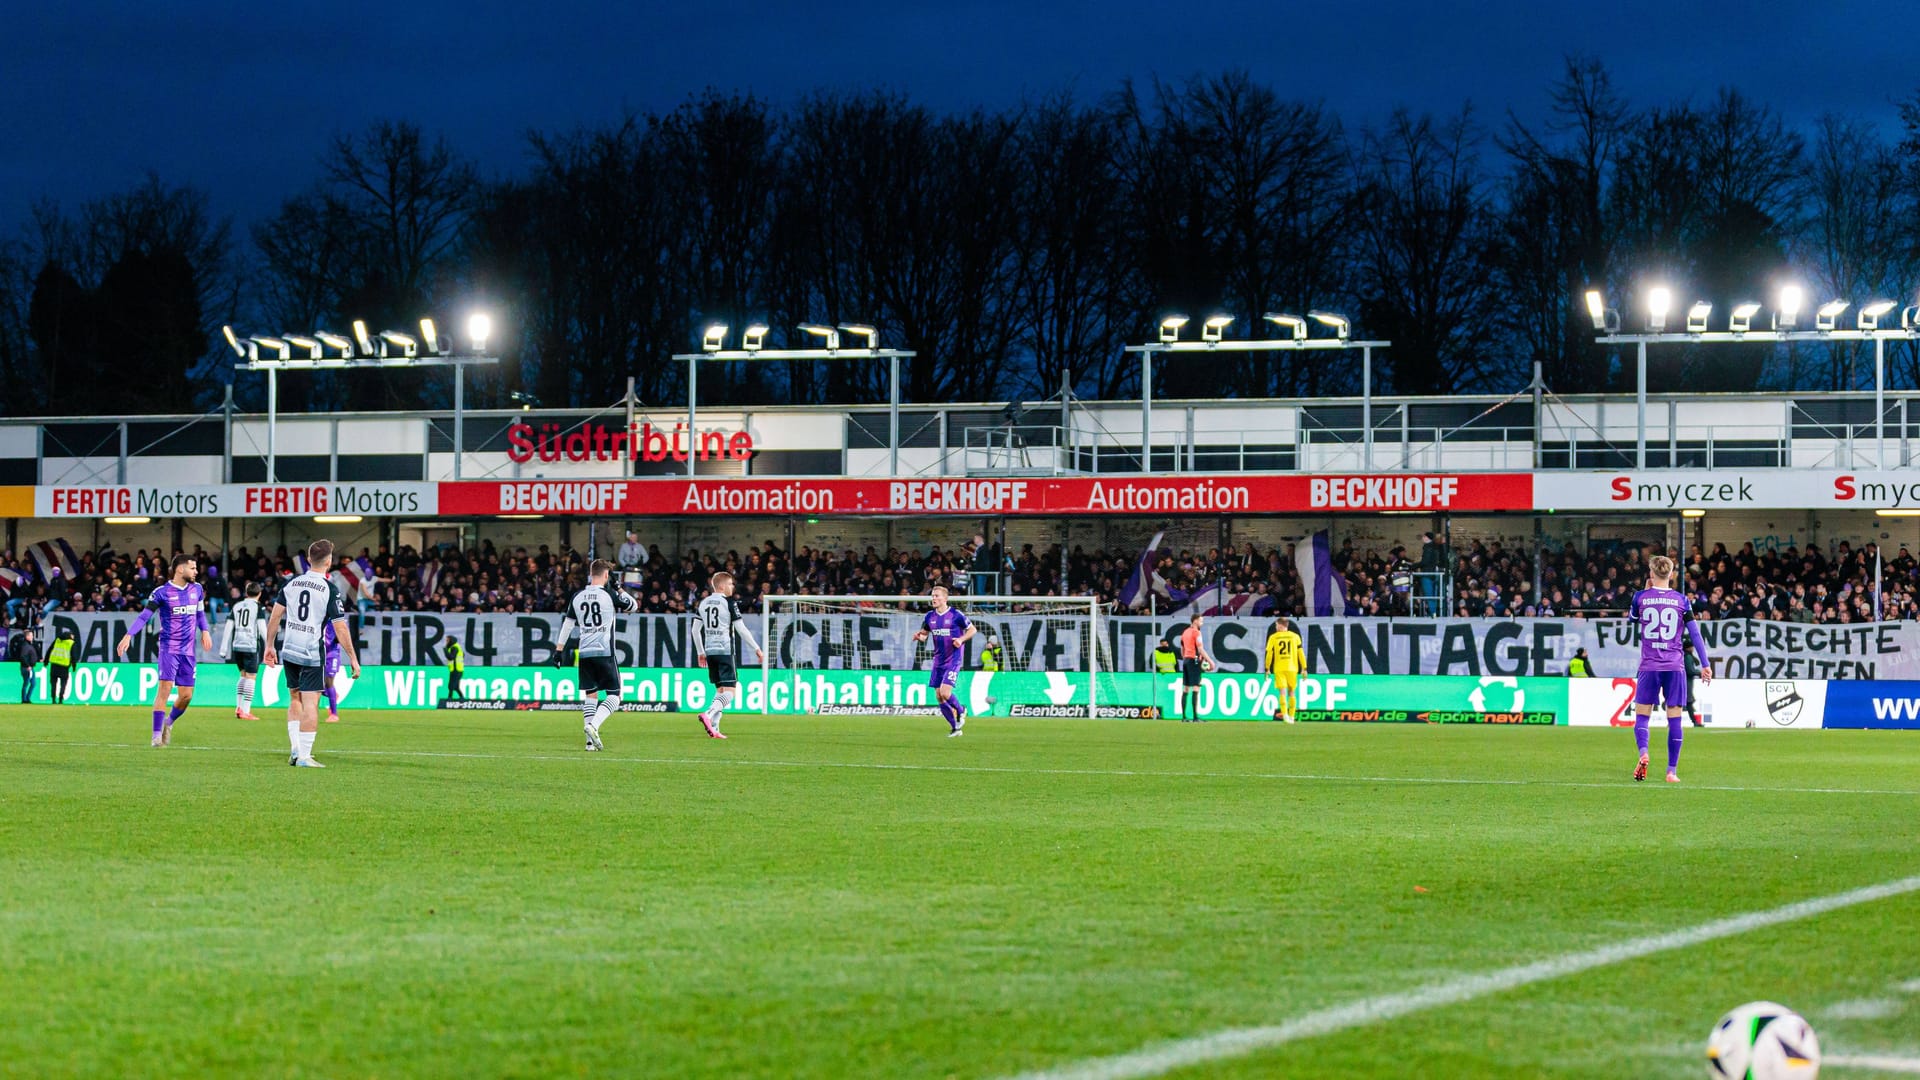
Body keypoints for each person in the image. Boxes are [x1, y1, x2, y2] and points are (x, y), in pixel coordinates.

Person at [262, 539, 361, 768]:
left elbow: (275, 616)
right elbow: (340, 627)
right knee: (311, 702)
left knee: (294, 697)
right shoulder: (329, 589)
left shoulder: (291, 583)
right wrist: (353, 659)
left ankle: (295, 749)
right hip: (311, 651)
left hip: (289, 649)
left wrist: (269, 646)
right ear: (328, 562)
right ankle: (305, 756)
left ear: (308, 560)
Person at [1630, 554, 1711, 783]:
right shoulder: (1681, 600)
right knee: (1674, 718)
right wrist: (1705, 664)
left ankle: (1644, 752)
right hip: (1674, 666)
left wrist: (1646, 591)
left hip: (1649, 666)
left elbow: (1632, 619)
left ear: (1651, 574)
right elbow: (1694, 633)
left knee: (1642, 717)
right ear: (1672, 575)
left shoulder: (1640, 598)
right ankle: (1671, 771)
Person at [116, 554, 211, 747]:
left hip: (189, 651)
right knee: (165, 690)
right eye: (192, 568)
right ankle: (156, 736)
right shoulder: (162, 592)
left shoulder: (197, 590)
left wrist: (206, 631)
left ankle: (169, 723)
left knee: (186, 696)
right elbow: (144, 617)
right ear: (180, 569)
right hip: (169, 648)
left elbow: (200, 614)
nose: (196, 571)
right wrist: (129, 635)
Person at [556, 558, 639, 750]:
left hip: (584, 652)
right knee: (615, 696)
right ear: (606, 575)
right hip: (604, 651)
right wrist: (619, 588)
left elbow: (568, 624)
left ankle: (589, 743)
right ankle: (593, 726)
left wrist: (558, 650)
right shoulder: (610, 595)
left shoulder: (577, 596)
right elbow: (633, 606)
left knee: (591, 694)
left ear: (590, 574)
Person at [691, 571, 763, 739]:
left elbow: (695, 630)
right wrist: (757, 648)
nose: (733, 587)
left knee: (721, 690)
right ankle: (708, 714)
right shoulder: (729, 603)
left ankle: (714, 728)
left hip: (709, 652)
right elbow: (741, 629)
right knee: (731, 691)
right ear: (722, 586)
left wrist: (700, 652)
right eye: (730, 584)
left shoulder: (703, 603)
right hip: (724, 650)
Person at [912, 584, 975, 736]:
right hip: (938, 660)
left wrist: (961, 639)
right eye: (932, 596)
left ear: (945, 598)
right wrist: (919, 637)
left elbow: (972, 630)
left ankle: (961, 710)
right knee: (939, 696)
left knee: (945, 693)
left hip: (953, 659)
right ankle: (956, 728)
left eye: (937, 596)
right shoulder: (929, 616)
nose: (934, 598)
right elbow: (925, 634)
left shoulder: (955, 615)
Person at [225, 581, 264, 720]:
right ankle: (246, 711)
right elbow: (262, 628)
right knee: (251, 677)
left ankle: (239, 708)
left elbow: (228, 626)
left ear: (246, 593)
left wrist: (224, 648)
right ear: (259, 594)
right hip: (250, 645)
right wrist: (269, 646)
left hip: (237, 646)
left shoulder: (237, 606)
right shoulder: (258, 607)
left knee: (243, 675)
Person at [1263, 616, 1305, 723]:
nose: (1276, 627)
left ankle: (1285, 715)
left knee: (1282, 692)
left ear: (1281, 626)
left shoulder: (1273, 637)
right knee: (1292, 692)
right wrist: (1304, 668)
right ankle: (1292, 716)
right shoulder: (1295, 637)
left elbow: (1269, 654)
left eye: (1277, 625)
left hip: (1279, 668)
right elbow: (1301, 653)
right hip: (1292, 668)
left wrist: (1267, 668)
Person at [1177, 613, 1214, 723]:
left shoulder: (1185, 632)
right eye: (1200, 621)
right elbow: (1201, 649)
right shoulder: (1196, 632)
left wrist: (1185, 658)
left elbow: (1182, 648)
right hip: (1194, 660)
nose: (1202, 623)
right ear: (1195, 621)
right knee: (1196, 687)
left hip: (1186, 660)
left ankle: (1184, 717)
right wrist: (1210, 661)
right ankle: (1195, 717)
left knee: (1186, 688)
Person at [1150, 635, 1179, 720]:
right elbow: (1176, 665)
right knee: (1170, 697)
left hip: (1162, 676)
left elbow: (1153, 665)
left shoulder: (1155, 652)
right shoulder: (1171, 652)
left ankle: (1163, 712)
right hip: (1171, 677)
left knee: (1162, 696)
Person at [46, 628, 74, 704]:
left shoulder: (57, 641)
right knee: (63, 684)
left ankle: (53, 699)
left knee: (53, 683)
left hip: (54, 665)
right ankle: (61, 699)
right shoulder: (70, 643)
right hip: (64, 667)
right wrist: (74, 666)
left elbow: (49, 650)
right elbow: (73, 655)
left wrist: (46, 661)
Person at [15, 628, 40, 704]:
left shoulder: (29, 645)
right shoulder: (25, 645)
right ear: (27, 637)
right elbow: (23, 656)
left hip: (30, 667)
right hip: (26, 668)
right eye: (31, 635)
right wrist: (27, 665)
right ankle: (24, 699)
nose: (32, 637)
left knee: (33, 683)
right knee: (27, 683)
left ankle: (27, 698)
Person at [443, 637, 466, 702]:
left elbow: (451, 657)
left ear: (451, 641)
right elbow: (463, 655)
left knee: (451, 685)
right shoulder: (458, 647)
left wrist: (445, 650)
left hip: (456, 670)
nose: (446, 642)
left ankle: (449, 699)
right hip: (458, 669)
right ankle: (462, 698)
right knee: (456, 687)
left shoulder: (454, 648)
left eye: (447, 640)